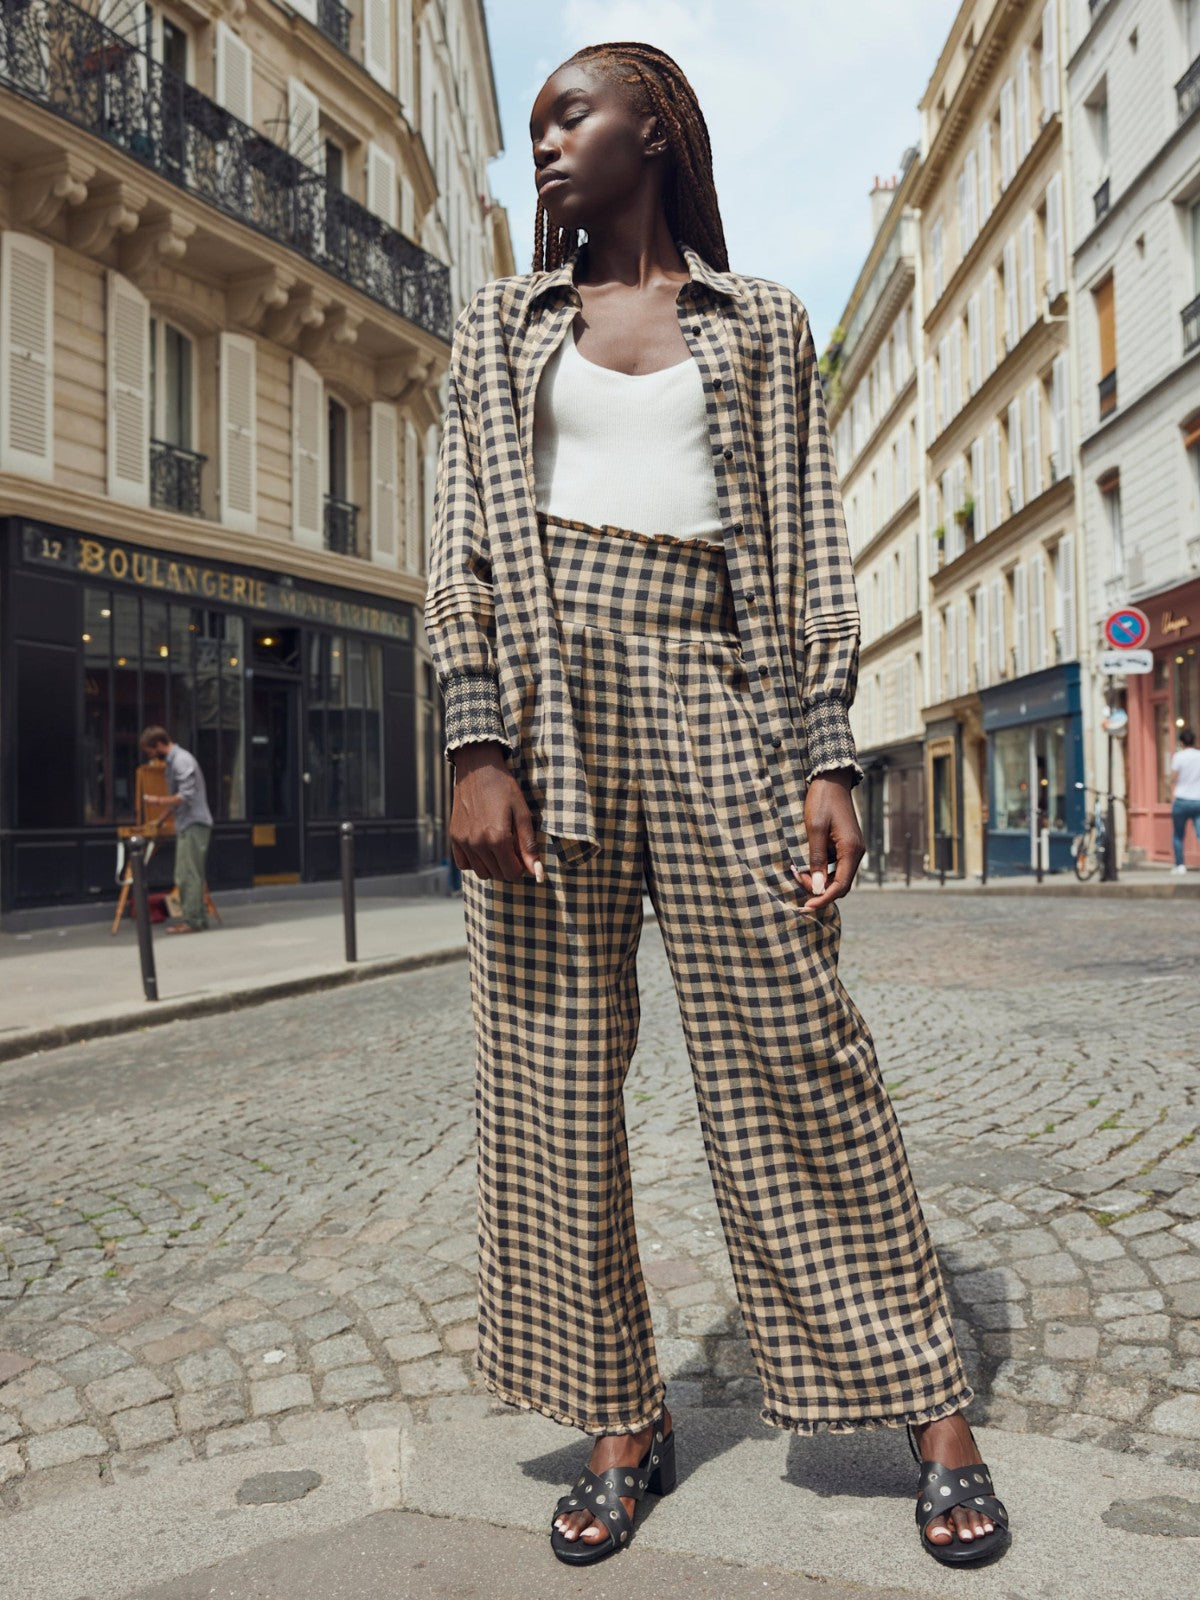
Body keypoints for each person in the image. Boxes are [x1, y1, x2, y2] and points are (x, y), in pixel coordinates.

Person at [425, 42, 1009, 1571]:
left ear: (656, 129)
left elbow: (814, 550)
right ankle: (623, 1419)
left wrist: (826, 752)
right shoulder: (497, 331)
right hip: (548, 705)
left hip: (719, 697)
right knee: (547, 1083)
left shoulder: (760, 324)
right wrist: (475, 737)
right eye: (538, 124)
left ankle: (927, 1403)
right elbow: (464, 555)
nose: (543, 146)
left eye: (570, 115)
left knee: (800, 1055)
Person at [138, 726, 213, 933]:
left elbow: (185, 796)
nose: (151, 756)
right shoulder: (174, 761)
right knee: (186, 873)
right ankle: (196, 918)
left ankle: (193, 921)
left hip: (193, 823)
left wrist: (157, 800)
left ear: (160, 744)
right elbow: (178, 801)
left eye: (151, 751)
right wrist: (160, 820)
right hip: (188, 823)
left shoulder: (181, 760)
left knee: (188, 874)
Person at [1170, 726, 1200, 874]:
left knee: (1178, 834)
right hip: (1198, 800)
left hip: (1182, 800)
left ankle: (1180, 865)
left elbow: (1173, 778)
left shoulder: (1178, 757)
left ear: (1181, 742)